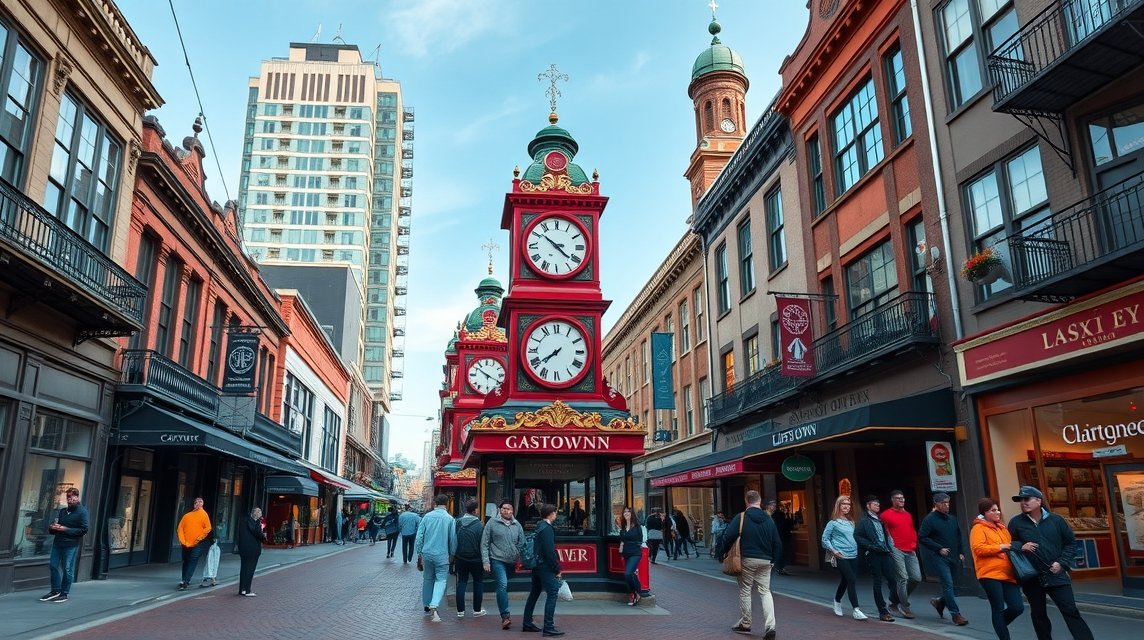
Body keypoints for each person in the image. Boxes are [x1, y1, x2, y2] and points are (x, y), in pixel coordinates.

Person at [1008, 486, 1094, 640]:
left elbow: (1071, 543)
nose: (1023, 503)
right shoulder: (1016, 522)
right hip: (1032, 576)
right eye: (1020, 500)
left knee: (1071, 611)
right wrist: (1020, 546)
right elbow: (1009, 543)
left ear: (1038, 501)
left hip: (1056, 574)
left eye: (1026, 499)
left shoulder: (1056, 520)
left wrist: (1062, 563)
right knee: (1038, 614)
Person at [719, 490, 781, 638]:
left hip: (747, 559)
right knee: (765, 592)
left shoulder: (741, 517)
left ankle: (746, 623)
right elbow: (777, 543)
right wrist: (774, 561)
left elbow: (728, 537)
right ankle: (770, 626)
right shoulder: (768, 519)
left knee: (745, 590)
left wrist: (722, 553)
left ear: (747, 501)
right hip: (766, 561)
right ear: (759, 502)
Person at [971, 497, 1024, 640]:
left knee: (1017, 607)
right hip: (989, 574)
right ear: (985, 512)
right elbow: (978, 549)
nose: (997, 512)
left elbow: (1011, 547)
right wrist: (1001, 547)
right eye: (993, 510)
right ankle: (1003, 635)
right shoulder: (978, 528)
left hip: (1007, 573)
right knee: (998, 607)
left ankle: (999, 624)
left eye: (997, 509)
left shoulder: (1002, 528)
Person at [918, 492, 968, 626]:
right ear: (936, 504)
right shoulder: (929, 519)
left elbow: (959, 536)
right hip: (940, 558)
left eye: (948, 502)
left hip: (955, 556)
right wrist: (938, 548)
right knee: (948, 584)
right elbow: (922, 537)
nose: (947, 505)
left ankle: (939, 602)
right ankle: (955, 614)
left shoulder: (952, 519)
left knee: (955, 586)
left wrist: (961, 552)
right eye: (943, 503)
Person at [482, 499, 526, 630]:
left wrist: (518, 554)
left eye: (509, 508)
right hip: (497, 559)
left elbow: (522, 542)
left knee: (505, 585)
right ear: (499, 510)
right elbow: (484, 542)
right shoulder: (492, 523)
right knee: (502, 584)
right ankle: (505, 616)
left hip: (511, 561)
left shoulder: (517, 525)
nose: (506, 510)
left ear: (513, 511)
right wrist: (486, 560)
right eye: (504, 508)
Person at [39, 487, 89, 604]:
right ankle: (55, 590)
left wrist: (65, 529)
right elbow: (57, 528)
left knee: (67, 569)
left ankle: (64, 593)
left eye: (72, 497)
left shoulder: (82, 512)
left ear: (77, 497)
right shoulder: (62, 511)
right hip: (58, 543)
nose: (70, 499)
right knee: (53, 565)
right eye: (68, 497)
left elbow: (84, 529)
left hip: (70, 545)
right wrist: (53, 528)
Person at [522, 503, 564, 637]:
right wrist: (557, 569)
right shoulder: (547, 529)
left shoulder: (539, 526)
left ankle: (527, 623)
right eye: (555, 513)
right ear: (551, 514)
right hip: (545, 567)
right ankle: (548, 627)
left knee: (534, 593)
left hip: (537, 565)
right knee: (553, 592)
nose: (556, 515)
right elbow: (549, 552)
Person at [853, 494, 898, 623]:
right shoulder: (864, 521)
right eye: (875, 504)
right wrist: (869, 546)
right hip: (874, 554)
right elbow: (857, 535)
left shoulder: (880, 520)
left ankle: (892, 602)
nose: (878, 505)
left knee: (892, 579)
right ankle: (883, 611)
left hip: (885, 553)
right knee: (877, 582)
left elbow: (885, 536)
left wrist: (889, 548)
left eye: (878, 504)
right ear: (868, 506)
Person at [822, 495, 866, 621]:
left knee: (846, 581)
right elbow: (825, 539)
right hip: (841, 556)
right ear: (838, 506)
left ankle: (837, 600)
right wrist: (834, 551)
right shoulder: (833, 523)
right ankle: (856, 610)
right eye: (843, 504)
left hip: (854, 555)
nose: (847, 506)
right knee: (851, 579)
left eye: (848, 504)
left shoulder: (851, 522)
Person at [415, 494, 457, 622]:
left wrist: (419, 553)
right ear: (447, 503)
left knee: (428, 578)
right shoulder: (450, 519)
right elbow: (452, 539)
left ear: (435, 503)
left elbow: (419, 537)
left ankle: (427, 604)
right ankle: (434, 604)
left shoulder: (427, 517)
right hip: (442, 554)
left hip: (427, 553)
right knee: (441, 579)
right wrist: (452, 554)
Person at [881, 489, 921, 619]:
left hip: (910, 550)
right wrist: (890, 547)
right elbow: (883, 533)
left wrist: (914, 543)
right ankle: (905, 607)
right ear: (892, 500)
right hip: (896, 549)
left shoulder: (907, 514)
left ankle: (894, 600)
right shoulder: (886, 515)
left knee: (916, 578)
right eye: (898, 498)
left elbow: (911, 530)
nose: (901, 500)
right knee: (902, 578)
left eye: (902, 498)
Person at [454, 498, 487, 618]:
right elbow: (483, 544)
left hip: (460, 557)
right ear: (475, 510)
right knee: (478, 582)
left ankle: (460, 611)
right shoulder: (479, 525)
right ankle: (477, 610)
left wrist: (453, 555)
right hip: (476, 559)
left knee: (461, 582)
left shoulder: (458, 522)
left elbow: (454, 540)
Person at [176, 497, 212, 590]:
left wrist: (199, 538)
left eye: (200, 502)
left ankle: (186, 580)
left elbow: (208, 528)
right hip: (186, 543)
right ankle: (184, 579)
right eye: (196, 502)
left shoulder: (204, 515)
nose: (198, 504)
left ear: (202, 504)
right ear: (194, 504)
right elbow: (180, 528)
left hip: (197, 544)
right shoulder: (187, 516)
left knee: (192, 560)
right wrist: (183, 540)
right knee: (187, 561)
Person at [618, 505, 646, 605]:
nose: (626, 513)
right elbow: (622, 538)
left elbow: (640, 540)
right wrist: (621, 544)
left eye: (628, 512)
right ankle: (638, 593)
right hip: (626, 553)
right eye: (625, 512)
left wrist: (629, 543)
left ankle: (634, 593)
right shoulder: (624, 526)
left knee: (628, 573)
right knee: (632, 574)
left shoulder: (637, 527)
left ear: (632, 514)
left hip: (635, 553)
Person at [236, 506, 266, 596]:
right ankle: (247, 590)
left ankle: (242, 589)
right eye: (260, 512)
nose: (261, 514)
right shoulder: (256, 523)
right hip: (253, 549)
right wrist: (263, 537)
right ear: (256, 514)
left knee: (244, 569)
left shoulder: (243, 521)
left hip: (243, 549)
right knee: (250, 569)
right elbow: (258, 534)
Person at [765, 500, 793, 575]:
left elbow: (784, 525)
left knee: (780, 552)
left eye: (774, 505)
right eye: (772, 505)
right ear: (768, 506)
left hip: (780, 536)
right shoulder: (765, 515)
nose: (774, 507)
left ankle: (779, 567)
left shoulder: (779, 515)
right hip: (771, 537)